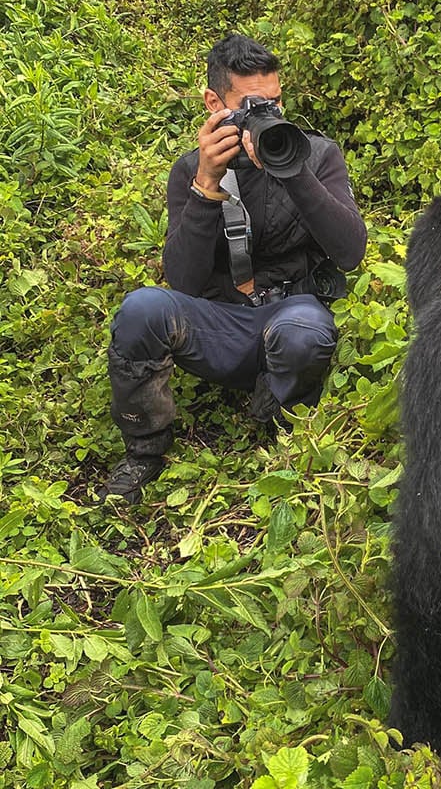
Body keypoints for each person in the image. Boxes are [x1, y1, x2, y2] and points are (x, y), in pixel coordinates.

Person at [99, 34, 366, 503]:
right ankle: (144, 450)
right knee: (142, 309)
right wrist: (206, 184)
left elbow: (350, 252)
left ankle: (281, 413)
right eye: (251, 105)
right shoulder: (189, 169)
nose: (267, 114)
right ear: (214, 103)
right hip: (220, 322)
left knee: (303, 332)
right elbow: (183, 280)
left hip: (291, 315)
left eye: (275, 102)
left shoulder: (317, 154)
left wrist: (293, 168)